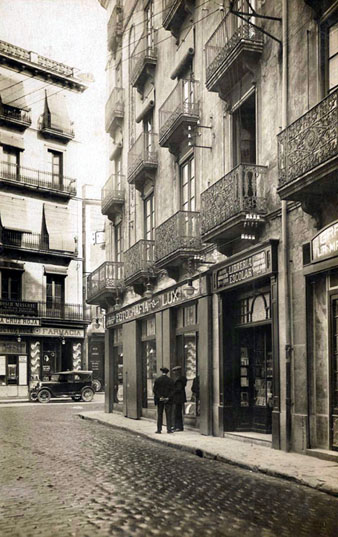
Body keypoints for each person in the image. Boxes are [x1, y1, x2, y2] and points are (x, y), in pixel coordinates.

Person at [153, 367, 174, 434]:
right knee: (168, 414)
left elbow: (155, 390)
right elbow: (172, 391)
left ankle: (159, 429)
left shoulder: (158, 380)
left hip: (160, 400)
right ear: (167, 373)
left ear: (162, 372)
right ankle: (169, 429)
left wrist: (160, 397)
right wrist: (168, 397)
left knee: (160, 414)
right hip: (168, 400)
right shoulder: (170, 380)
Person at [172, 365, 187, 431]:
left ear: (178, 372)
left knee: (177, 413)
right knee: (177, 412)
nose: (174, 373)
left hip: (178, 398)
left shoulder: (179, 380)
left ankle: (178, 427)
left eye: (175, 371)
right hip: (180, 398)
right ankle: (177, 426)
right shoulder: (182, 378)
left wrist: (172, 391)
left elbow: (178, 389)